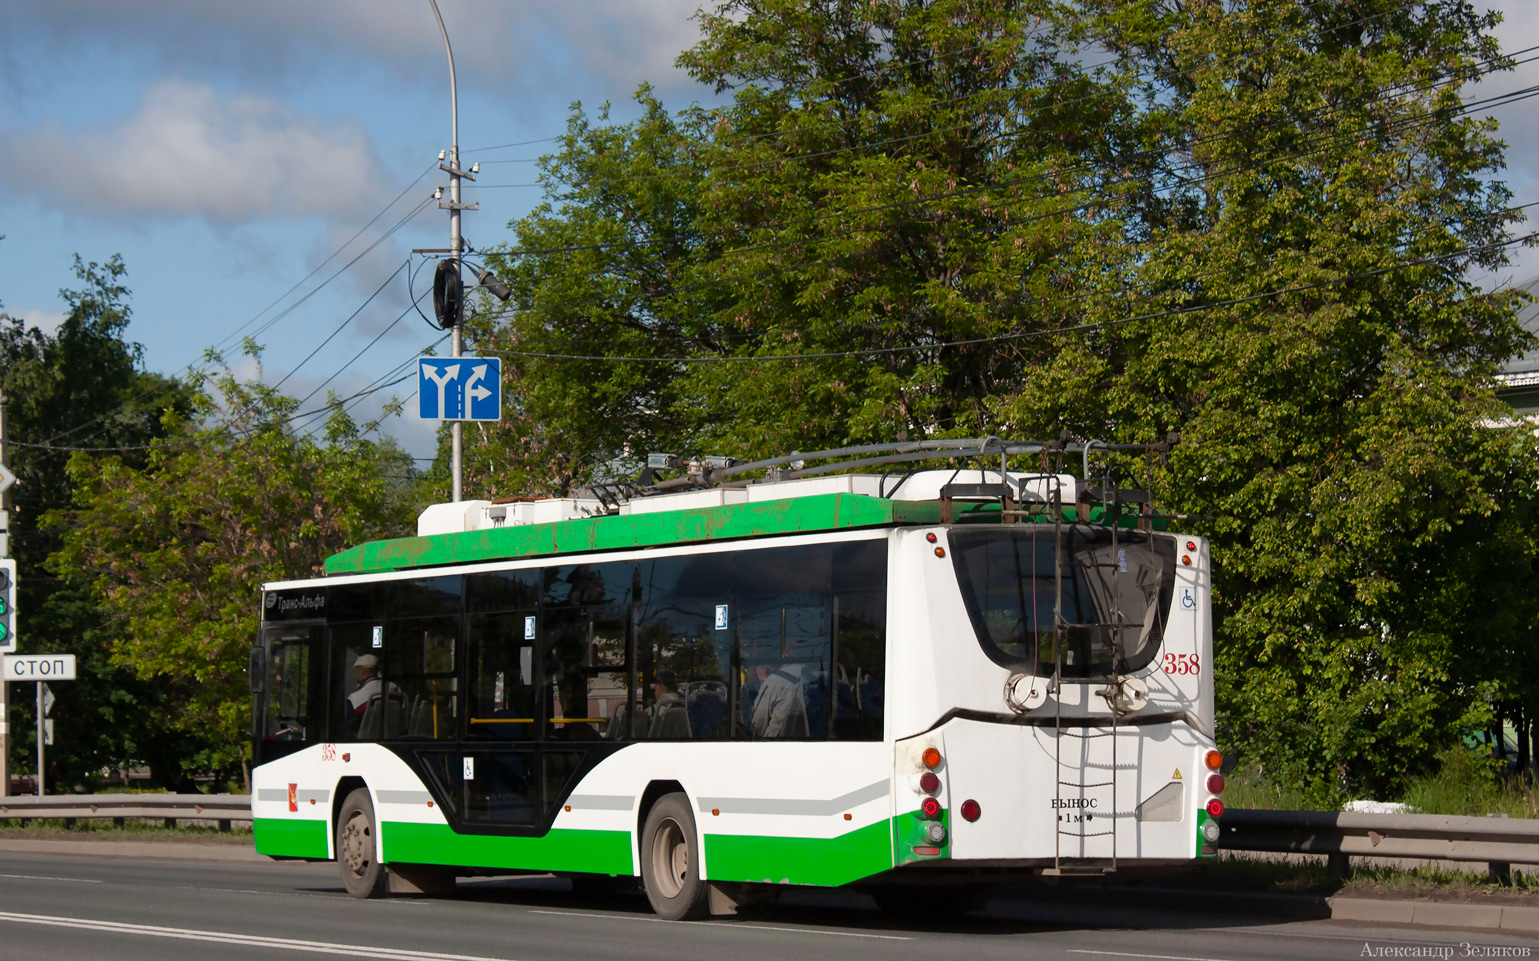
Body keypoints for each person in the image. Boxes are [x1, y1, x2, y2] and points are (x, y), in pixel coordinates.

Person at [751, 661, 808, 739]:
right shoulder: (817, 674)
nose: (764, 670)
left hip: (774, 743)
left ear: (785, 653)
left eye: (767, 665)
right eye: (760, 665)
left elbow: (759, 723)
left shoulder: (774, 681)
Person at [343, 654, 383, 735]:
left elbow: (348, 728)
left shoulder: (354, 699)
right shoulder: (394, 688)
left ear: (362, 671)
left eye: (357, 670)